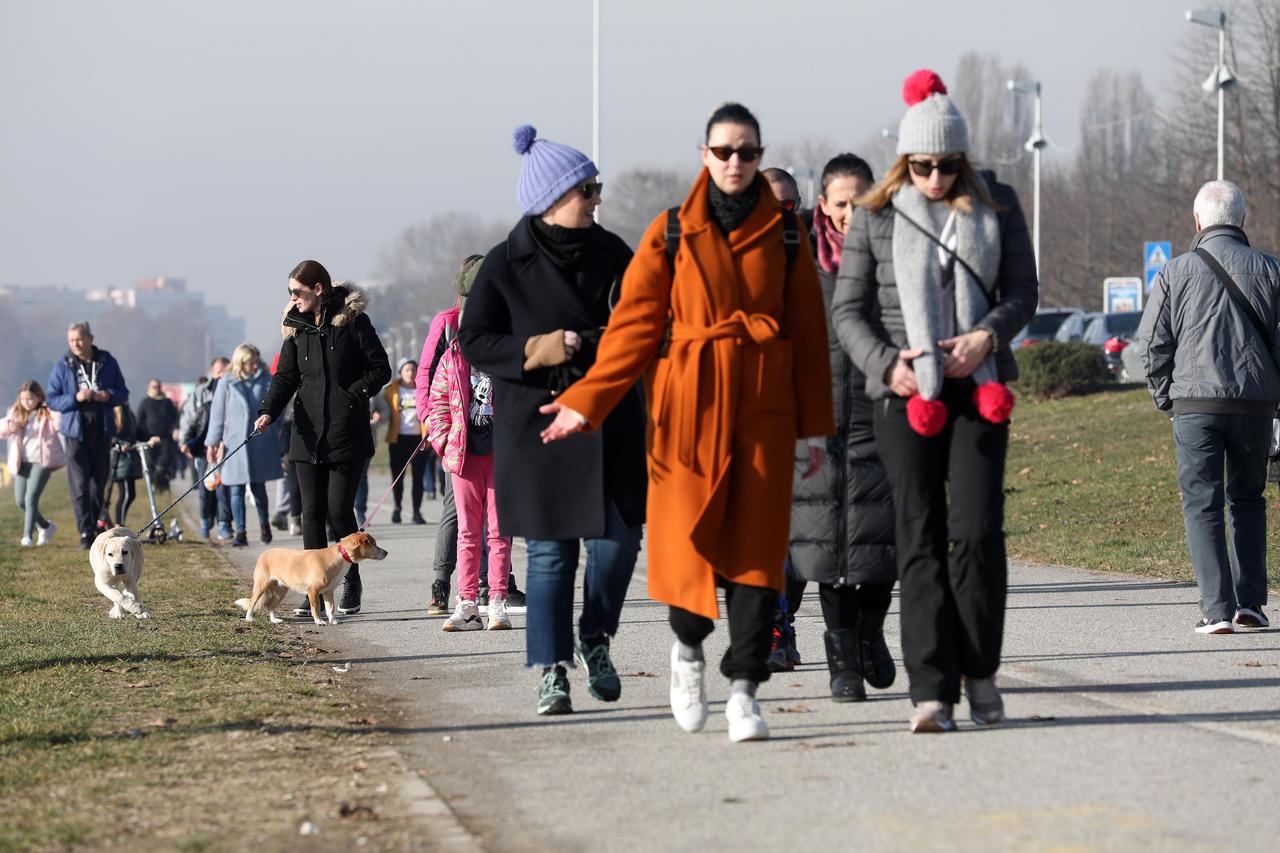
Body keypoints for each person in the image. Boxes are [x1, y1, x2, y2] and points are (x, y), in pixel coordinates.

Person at [540, 105, 835, 741]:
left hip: (763, 417)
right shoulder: (669, 232)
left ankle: (746, 691)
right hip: (685, 418)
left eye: (747, 152)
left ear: (759, 156)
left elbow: (810, 337)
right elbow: (633, 331)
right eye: (724, 151)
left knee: (758, 562)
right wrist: (585, 400)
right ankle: (688, 655)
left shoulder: (786, 234)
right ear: (704, 155)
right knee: (689, 554)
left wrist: (814, 430)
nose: (736, 162)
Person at [831, 70, 1037, 732]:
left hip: (979, 389)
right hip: (904, 394)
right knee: (917, 534)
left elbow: (1022, 290)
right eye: (922, 166)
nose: (935, 178)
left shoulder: (998, 202)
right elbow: (849, 312)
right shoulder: (874, 214)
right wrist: (887, 364)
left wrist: (987, 336)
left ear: (963, 157)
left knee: (975, 532)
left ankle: (979, 670)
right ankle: (930, 689)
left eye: (947, 165)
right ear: (905, 159)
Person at [459, 126, 649, 716]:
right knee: (549, 556)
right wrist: (536, 349)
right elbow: (474, 341)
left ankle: (594, 636)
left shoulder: (615, 252)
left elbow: (641, 322)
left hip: (608, 420)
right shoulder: (502, 264)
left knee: (619, 546)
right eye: (586, 189)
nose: (596, 198)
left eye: (597, 187)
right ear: (550, 199)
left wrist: (594, 344)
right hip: (535, 428)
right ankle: (551, 669)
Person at [1136, 180, 1280, 634]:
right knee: (1249, 499)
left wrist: (1166, 396)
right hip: (1256, 406)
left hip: (1195, 404)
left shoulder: (1176, 271)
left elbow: (1152, 343)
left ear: (1197, 222)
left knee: (1202, 504)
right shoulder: (1271, 269)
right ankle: (1251, 604)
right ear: (1241, 220)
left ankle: (1216, 610)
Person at [787, 153, 899, 702]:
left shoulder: (896, 252)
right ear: (823, 206)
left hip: (880, 413)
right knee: (826, 545)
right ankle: (842, 662)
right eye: (840, 204)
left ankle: (871, 632)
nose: (851, 214)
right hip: (815, 418)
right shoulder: (799, 260)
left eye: (861, 202)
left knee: (881, 543)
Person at [255, 263, 391, 616]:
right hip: (307, 433)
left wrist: (354, 394)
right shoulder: (296, 329)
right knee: (310, 512)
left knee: (338, 509)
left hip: (347, 433)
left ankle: (350, 581)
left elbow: (381, 369)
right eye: (289, 293)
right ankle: (312, 588)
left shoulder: (353, 322)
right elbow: (284, 377)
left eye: (296, 292)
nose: (292, 299)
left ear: (318, 288)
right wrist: (268, 410)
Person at [429, 256, 514, 633]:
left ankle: (497, 601)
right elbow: (437, 403)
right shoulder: (454, 356)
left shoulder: (512, 350)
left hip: (503, 454)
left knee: (499, 532)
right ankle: (467, 604)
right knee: (467, 531)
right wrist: (444, 441)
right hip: (463, 456)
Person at [46, 321, 129, 548]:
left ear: (91, 338)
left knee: (97, 485)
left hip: (102, 432)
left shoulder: (107, 362)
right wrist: (76, 398)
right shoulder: (63, 366)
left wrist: (108, 395)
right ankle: (85, 532)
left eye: (80, 339)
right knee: (80, 485)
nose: (76, 344)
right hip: (75, 433)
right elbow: (51, 399)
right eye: (72, 340)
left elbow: (123, 393)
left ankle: (94, 526)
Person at [207, 343, 281, 547]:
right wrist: (213, 442)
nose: (254, 366)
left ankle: (264, 524)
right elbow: (217, 414)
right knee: (235, 490)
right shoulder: (226, 382)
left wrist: (275, 431)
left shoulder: (266, 379)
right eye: (250, 362)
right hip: (234, 443)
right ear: (240, 362)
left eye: (256, 361)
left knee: (259, 487)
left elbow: (278, 407)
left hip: (259, 441)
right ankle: (240, 531)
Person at [2, 380, 66, 545]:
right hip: (22, 461)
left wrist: (54, 412)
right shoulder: (16, 413)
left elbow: (60, 424)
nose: (26, 402)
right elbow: (2, 430)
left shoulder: (47, 411)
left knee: (31, 498)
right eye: (23, 399)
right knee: (20, 501)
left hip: (42, 461)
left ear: (38, 397)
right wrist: (12, 425)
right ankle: (45, 526)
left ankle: (27, 537)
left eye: (30, 398)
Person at [180, 357, 231, 539]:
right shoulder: (201, 393)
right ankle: (205, 521)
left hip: (226, 447)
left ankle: (224, 524)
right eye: (219, 370)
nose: (222, 374)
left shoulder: (234, 389)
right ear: (212, 372)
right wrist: (184, 441)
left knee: (224, 489)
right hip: (203, 449)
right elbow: (189, 419)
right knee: (205, 488)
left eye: (226, 370)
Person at [384, 358, 431, 524]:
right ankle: (397, 508)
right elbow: (383, 411)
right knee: (398, 476)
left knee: (418, 477)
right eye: (407, 370)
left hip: (419, 440)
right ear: (401, 372)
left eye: (413, 370)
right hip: (398, 439)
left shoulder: (425, 390)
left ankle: (417, 512)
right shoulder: (391, 391)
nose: (411, 373)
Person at [108, 404, 153, 527]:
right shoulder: (111, 412)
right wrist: (120, 443)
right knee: (126, 493)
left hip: (130, 459)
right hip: (119, 459)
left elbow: (137, 431)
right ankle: (119, 524)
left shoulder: (128, 412)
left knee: (130, 494)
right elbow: (108, 435)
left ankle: (119, 523)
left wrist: (151, 437)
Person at [135, 378, 179, 491]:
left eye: (158, 387)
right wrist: (142, 437)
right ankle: (153, 487)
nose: (157, 389)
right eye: (154, 387)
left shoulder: (167, 402)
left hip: (165, 439)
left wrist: (175, 429)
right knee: (150, 465)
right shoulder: (145, 403)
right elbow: (139, 421)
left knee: (163, 464)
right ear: (149, 388)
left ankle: (163, 487)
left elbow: (175, 418)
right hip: (149, 440)